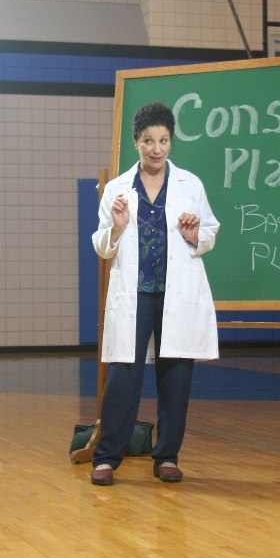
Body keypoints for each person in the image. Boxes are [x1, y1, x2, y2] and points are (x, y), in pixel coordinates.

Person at [89, 102, 220, 486]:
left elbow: (209, 232)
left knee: (176, 379)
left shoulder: (190, 184)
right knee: (123, 378)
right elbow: (102, 246)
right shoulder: (117, 189)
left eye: (163, 140)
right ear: (136, 142)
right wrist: (116, 228)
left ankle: (167, 456)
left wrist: (195, 235)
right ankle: (106, 458)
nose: (156, 148)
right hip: (135, 295)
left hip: (176, 295)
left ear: (171, 142)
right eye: (148, 141)